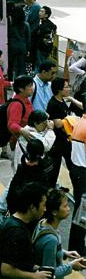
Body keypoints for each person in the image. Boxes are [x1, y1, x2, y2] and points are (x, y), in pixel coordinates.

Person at [0, 75, 35, 227]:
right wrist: (23, 131)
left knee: (20, 178)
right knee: (17, 178)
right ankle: (0, 208)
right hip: (19, 145)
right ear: (21, 89)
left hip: (25, 145)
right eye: (29, 86)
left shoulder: (26, 101)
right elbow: (12, 125)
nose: (32, 88)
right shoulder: (17, 104)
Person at [0, 182, 49, 279]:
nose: (45, 209)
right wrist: (34, 276)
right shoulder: (17, 232)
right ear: (32, 207)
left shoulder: (14, 222)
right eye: (43, 205)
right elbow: (6, 270)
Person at [34, 189, 86, 278]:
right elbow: (49, 274)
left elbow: (46, 250)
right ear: (54, 212)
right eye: (65, 206)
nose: (69, 208)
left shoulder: (42, 223)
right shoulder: (51, 240)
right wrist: (71, 266)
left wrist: (64, 253)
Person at [47, 78, 74, 187]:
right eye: (66, 87)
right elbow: (57, 124)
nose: (69, 89)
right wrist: (71, 120)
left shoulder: (62, 100)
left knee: (72, 166)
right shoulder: (53, 104)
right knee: (54, 169)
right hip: (57, 142)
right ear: (59, 90)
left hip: (65, 139)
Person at [68, 105, 86, 256]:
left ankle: (77, 245)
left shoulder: (81, 121)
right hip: (83, 171)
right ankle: (77, 248)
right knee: (82, 211)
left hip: (77, 169)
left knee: (81, 209)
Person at [8, 5, 31, 79]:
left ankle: (10, 80)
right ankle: (20, 80)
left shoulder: (10, 24)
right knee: (21, 66)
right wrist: (28, 49)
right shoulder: (26, 25)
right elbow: (28, 38)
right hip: (22, 46)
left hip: (11, 46)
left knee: (10, 65)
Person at [35, 6, 57, 71]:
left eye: (42, 12)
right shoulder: (44, 23)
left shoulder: (46, 26)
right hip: (45, 49)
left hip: (42, 49)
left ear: (46, 15)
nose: (39, 13)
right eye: (40, 11)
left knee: (41, 67)